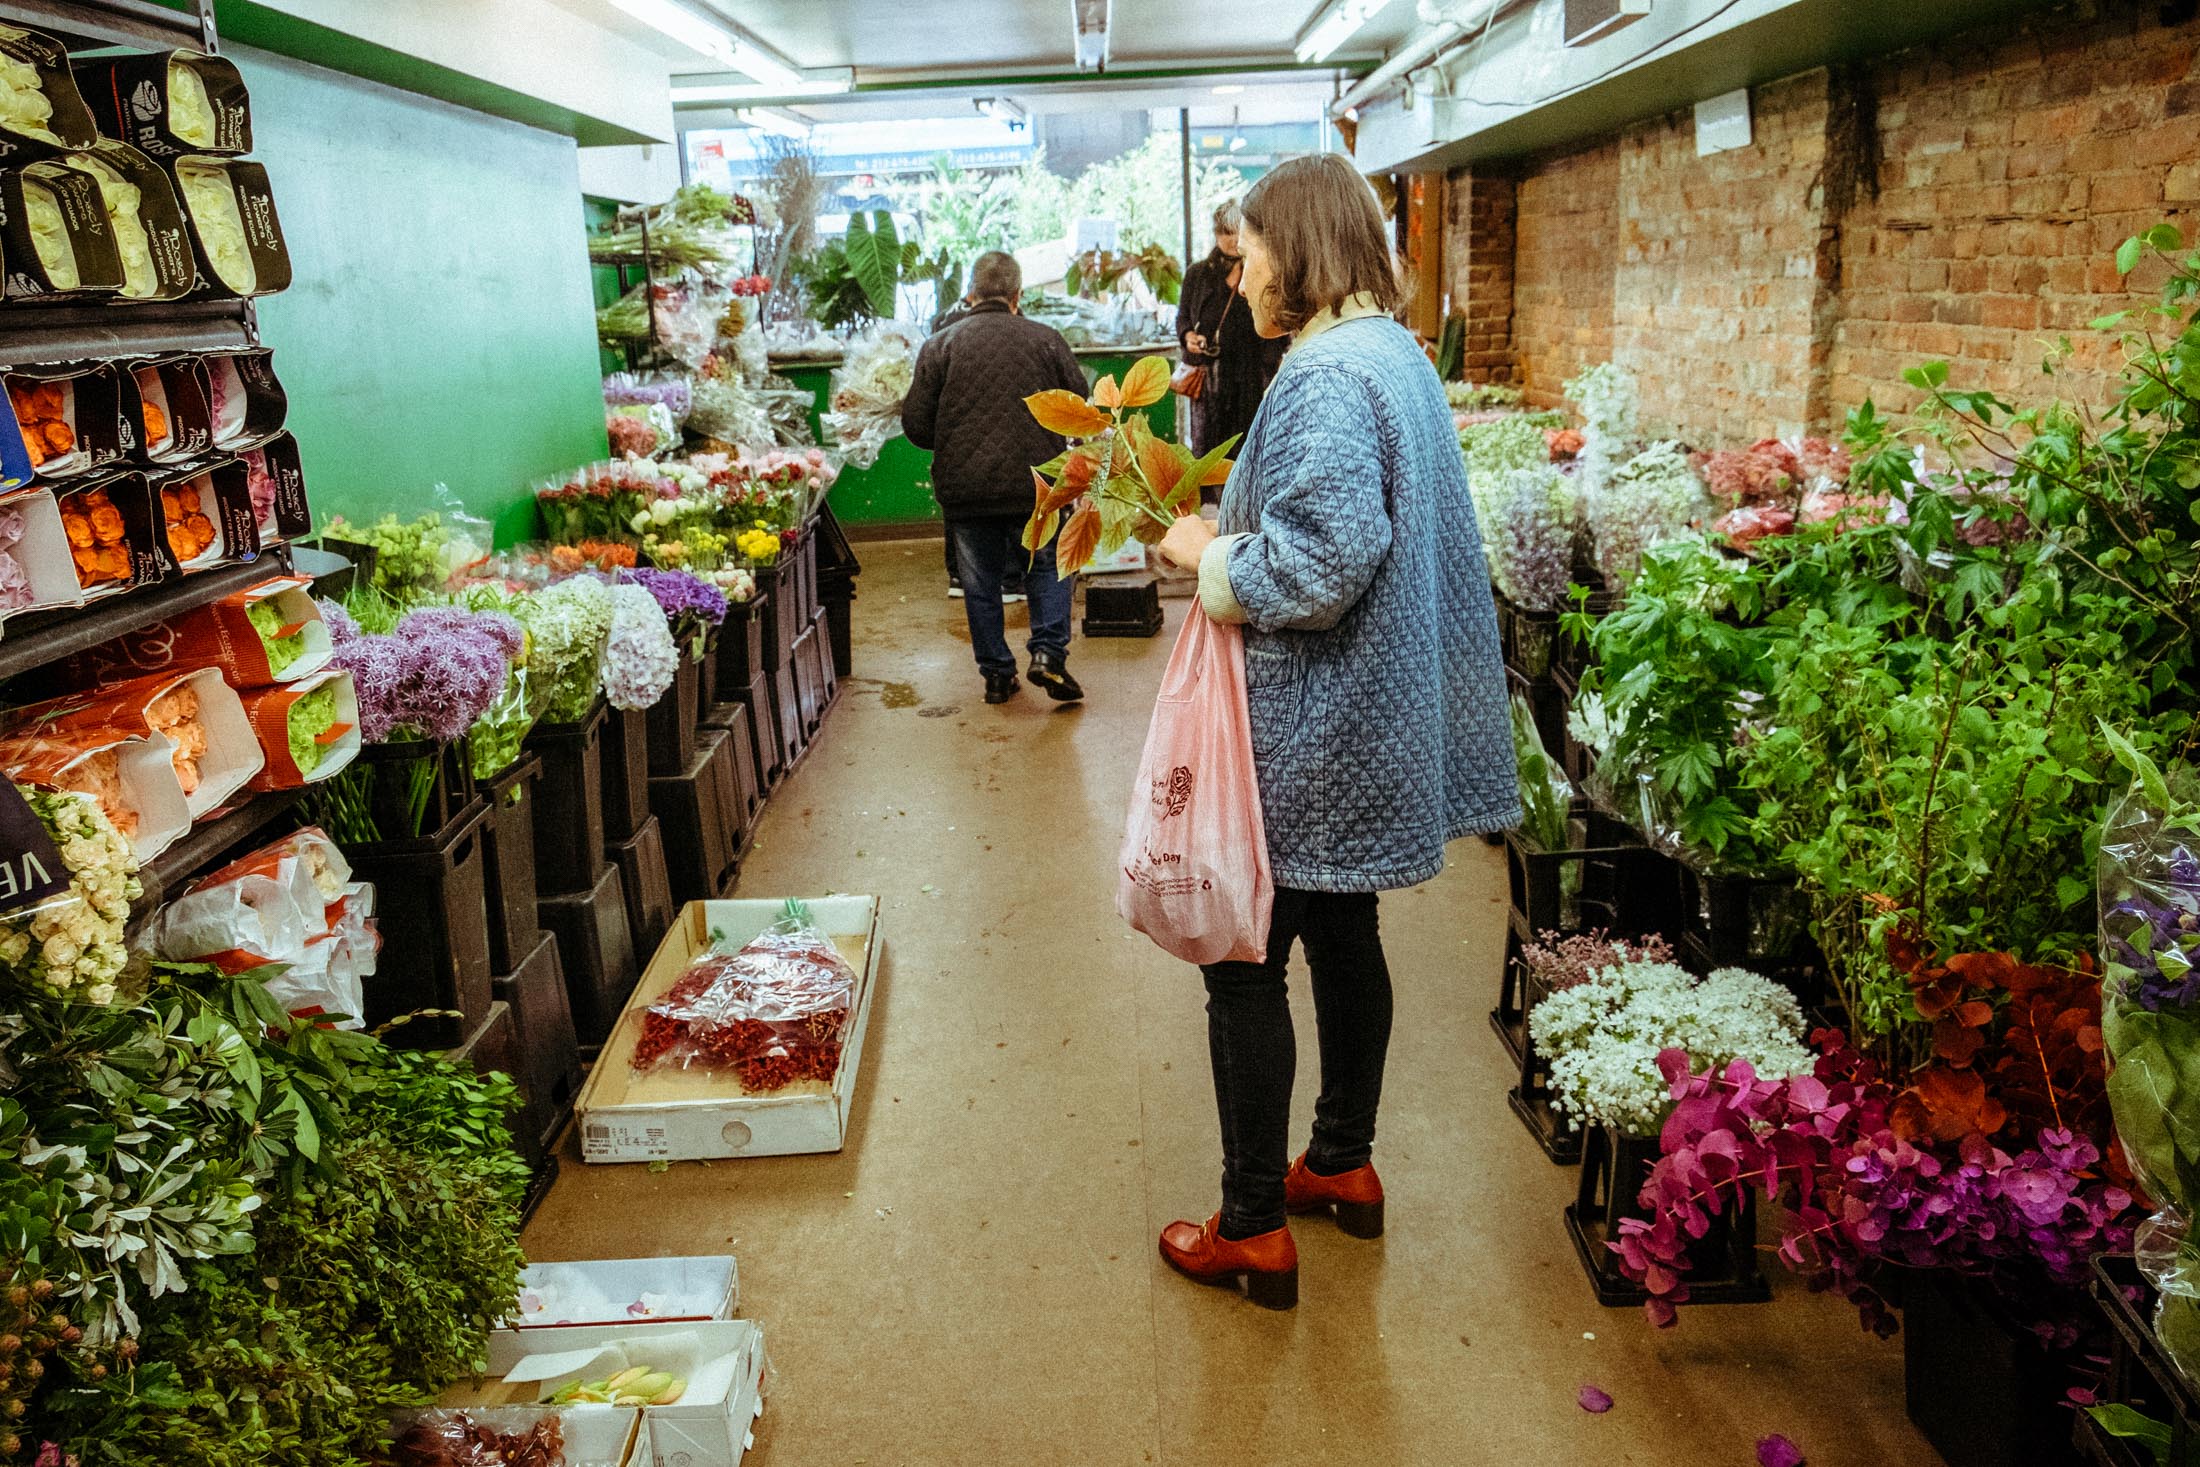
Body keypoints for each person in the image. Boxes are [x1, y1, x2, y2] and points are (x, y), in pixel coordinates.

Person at [1151, 154, 1519, 1310]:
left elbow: (1320, 560)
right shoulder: (1393, 356)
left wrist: (1205, 557)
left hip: (1314, 726)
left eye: (1250, 248)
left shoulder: (1320, 378)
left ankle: (1254, 1226)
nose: (1240, 270)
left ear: (1296, 249)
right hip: (1373, 716)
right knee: (1345, 938)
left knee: (1245, 964)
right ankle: (1341, 1160)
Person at [903, 250, 1087, 705]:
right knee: (1046, 565)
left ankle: (997, 676)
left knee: (979, 581)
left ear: (970, 294)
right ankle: (1047, 654)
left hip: (967, 492)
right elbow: (1079, 406)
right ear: (1017, 296)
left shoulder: (939, 346)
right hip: (1037, 486)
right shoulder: (1046, 340)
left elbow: (916, 425)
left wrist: (954, 448)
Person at [1175, 200, 1288, 462]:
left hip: (1248, 372)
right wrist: (1187, 337)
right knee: (1206, 446)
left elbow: (1276, 317)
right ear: (1215, 233)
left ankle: (1240, 498)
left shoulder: (1261, 268)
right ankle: (1209, 499)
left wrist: (1273, 364)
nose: (1230, 239)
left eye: (1236, 231)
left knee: (1246, 442)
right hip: (1208, 373)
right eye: (1224, 232)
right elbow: (1182, 316)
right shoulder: (1198, 273)